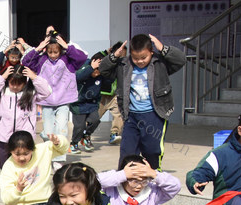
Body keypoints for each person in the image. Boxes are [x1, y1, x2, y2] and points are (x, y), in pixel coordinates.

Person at [99, 33, 186, 169]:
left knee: (152, 150)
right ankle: (126, 180)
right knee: (127, 152)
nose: (140, 61)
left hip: (154, 115)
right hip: (131, 116)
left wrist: (163, 48)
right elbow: (103, 69)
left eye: (144, 57)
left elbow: (181, 60)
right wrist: (114, 56)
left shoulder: (159, 64)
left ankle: (153, 175)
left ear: (151, 52)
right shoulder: (124, 66)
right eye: (135, 58)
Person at [22, 27, 87, 164]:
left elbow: (82, 58)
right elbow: (26, 62)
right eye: (50, 52)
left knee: (61, 129)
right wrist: (38, 48)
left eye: (56, 52)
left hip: (63, 100)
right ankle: (49, 148)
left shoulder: (68, 60)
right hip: (47, 101)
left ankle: (59, 159)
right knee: (48, 132)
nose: (52, 55)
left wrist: (66, 46)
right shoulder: (41, 60)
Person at [0, 63, 52, 168]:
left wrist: (34, 77)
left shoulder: (31, 93)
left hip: (24, 136)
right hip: (5, 135)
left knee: (24, 164)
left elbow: (47, 91)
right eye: (12, 83)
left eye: (19, 84)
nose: (15, 87)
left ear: (25, 82)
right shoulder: (2, 92)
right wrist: (2, 77)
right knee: (3, 163)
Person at [70, 53, 105, 153]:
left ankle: (86, 136)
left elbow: (109, 79)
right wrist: (91, 68)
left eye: (99, 71)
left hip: (92, 103)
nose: (97, 73)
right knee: (79, 126)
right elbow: (76, 77)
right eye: (95, 70)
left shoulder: (101, 75)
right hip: (78, 104)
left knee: (95, 120)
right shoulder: (84, 68)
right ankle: (74, 143)